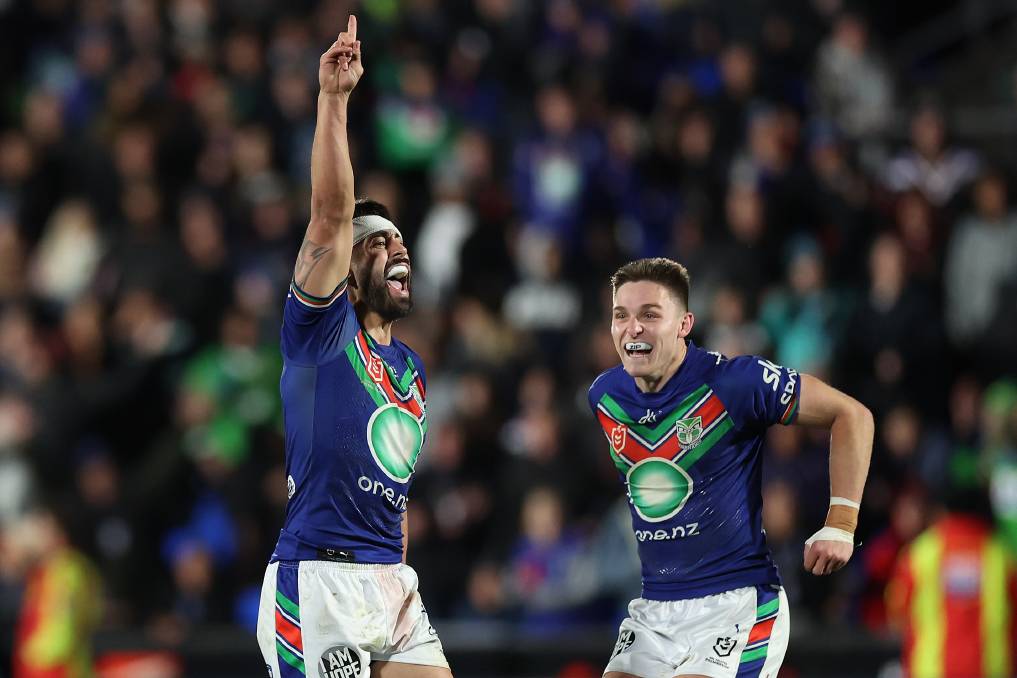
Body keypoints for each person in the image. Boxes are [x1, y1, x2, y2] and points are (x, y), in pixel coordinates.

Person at [255, 16, 452, 678]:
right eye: (377, 241)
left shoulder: (410, 369)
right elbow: (329, 215)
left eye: (399, 240)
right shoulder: (320, 329)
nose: (396, 247)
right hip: (317, 583)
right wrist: (334, 100)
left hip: (389, 583)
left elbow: (395, 491)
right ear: (344, 267)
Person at [587, 257, 873, 678]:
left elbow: (851, 414)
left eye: (650, 315)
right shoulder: (605, 396)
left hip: (735, 605)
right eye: (621, 316)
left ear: (684, 324)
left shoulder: (736, 382)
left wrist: (841, 522)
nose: (633, 328)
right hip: (653, 609)